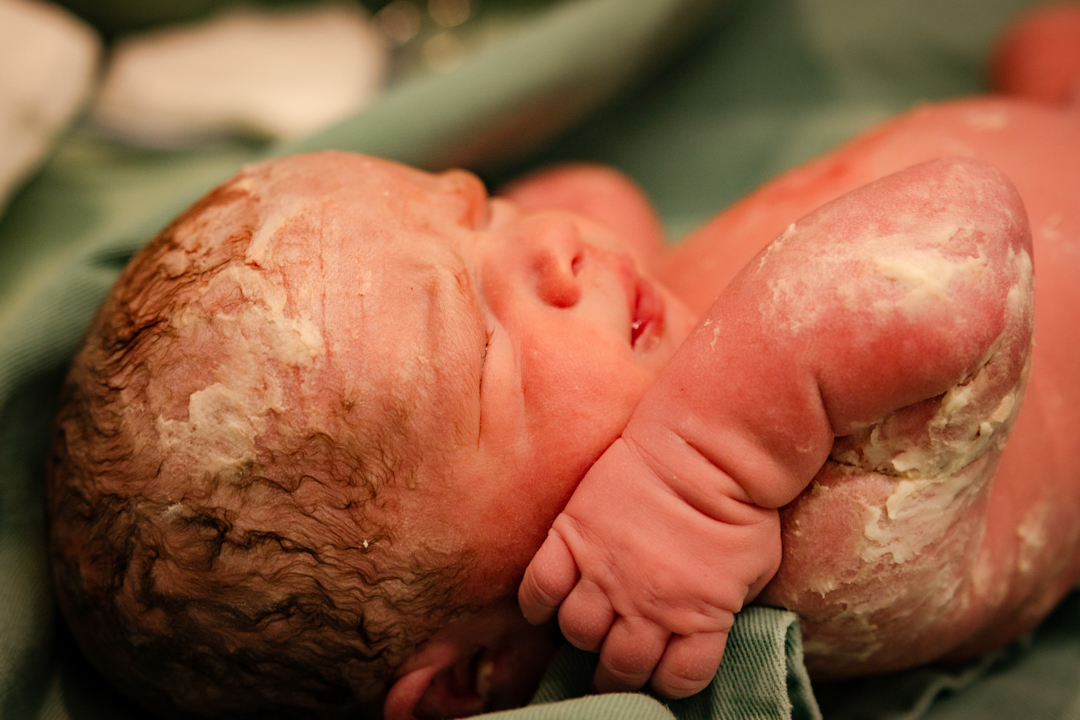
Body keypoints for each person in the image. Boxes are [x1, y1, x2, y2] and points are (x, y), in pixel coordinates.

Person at [45, 9, 1080, 720]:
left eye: (480, 208)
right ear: (478, 678)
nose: (553, 245)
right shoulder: (779, 544)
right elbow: (961, 237)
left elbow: (594, 193)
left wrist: (503, 267)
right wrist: (699, 470)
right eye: (488, 339)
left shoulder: (646, 377)